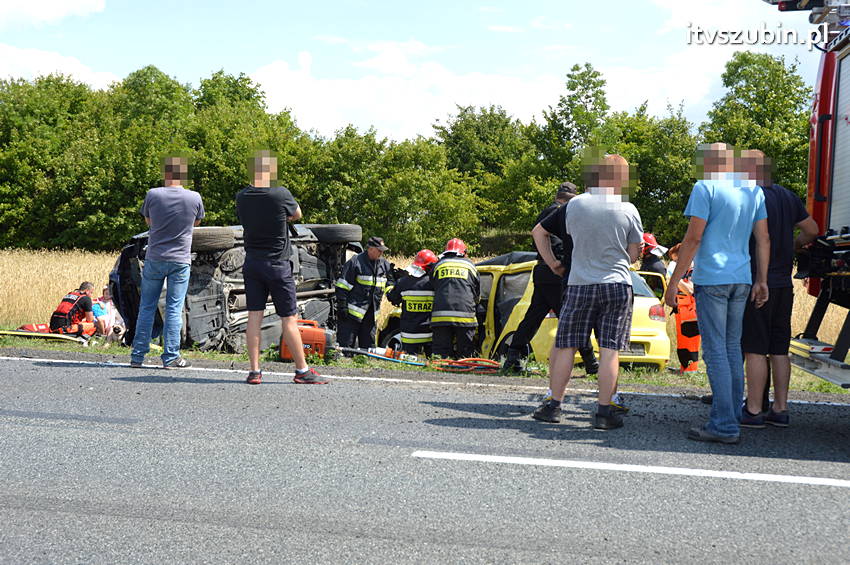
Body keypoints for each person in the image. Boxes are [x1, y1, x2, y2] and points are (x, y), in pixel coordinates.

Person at [664, 143, 769, 444]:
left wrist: (674, 282)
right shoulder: (752, 191)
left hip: (713, 278)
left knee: (715, 351)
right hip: (743, 277)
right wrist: (761, 279)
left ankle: (723, 425)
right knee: (732, 348)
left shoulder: (704, 187)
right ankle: (731, 416)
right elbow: (763, 238)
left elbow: (694, 237)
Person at [532, 153, 643, 430]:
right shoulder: (628, 209)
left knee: (566, 344)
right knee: (609, 349)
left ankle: (554, 405)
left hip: (579, 282)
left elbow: (539, 232)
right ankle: (604, 412)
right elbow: (633, 254)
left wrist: (554, 263)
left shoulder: (574, 205)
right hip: (616, 284)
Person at [740, 150, 819, 429]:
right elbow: (812, 229)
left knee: (753, 349)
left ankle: (753, 409)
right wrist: (794, 246)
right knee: (779, 348)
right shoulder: (787, 196)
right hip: (784, 283)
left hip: (758, 282)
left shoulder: (750, 196)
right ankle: (781, 409)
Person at [236, 150, 327, 385]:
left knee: (254, 316)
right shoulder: (280, 194)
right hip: (277, 263)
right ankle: (302, 370)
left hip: (252, 262)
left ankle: (254, 371)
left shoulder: (242, 196)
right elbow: (297, 214)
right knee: (288, 318)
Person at [503, 183, 599, 374]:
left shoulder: (547, 211)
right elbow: (553, 240)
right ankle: (591, 363)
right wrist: (561, 262)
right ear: (571, 198)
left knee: (534, 316)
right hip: (555, 272)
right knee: (572, 317)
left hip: (543, 271)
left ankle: (513, 356)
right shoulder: (558, 212)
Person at [130, 156, 204, 369]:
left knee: (146, 307)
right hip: (180, 259)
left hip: (155, 257)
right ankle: (171, 357)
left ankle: (137, 356)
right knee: (174, 307)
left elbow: (148, 220)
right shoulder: (194, 197)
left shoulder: (153, 194)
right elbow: (196, 221)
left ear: (166, 173)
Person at [335, 236, 393, 352]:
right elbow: (342, 286)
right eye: (379, 250)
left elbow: (390, 282)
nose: (381, 252)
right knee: (346, 348)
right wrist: (342, 305)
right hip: (351, 315)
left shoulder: (384, 265)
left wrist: (392, 292)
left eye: (382, 250)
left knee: (368, 350)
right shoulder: (355, 262)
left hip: (371, 315)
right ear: (370, 249)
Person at [430, 238, 480, 358]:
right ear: (464, 252)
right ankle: (463, 371)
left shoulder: (438, 265)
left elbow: (433, 287)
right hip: (465, 317)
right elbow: (477, 293)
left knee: (440, 355)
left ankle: (437, 372)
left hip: (440, 317)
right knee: (465, 354)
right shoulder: (470, 265)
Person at [386, 249, 438, 355]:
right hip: (429, 335)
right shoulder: (435, 283)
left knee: (410, 364)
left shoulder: (404, 282)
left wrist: (391, 282)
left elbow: (392, 297)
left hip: (409, 336)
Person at [666, 244, 700, 373]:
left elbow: (691, 290)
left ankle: (691, 369)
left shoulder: (694, 271)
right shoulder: (684, 271)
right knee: (682, 343)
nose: (675, 263)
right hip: (680, 311)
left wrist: (675, 279)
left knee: (690, 342)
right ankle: (684, 367)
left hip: (691, 312)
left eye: (676, 260)